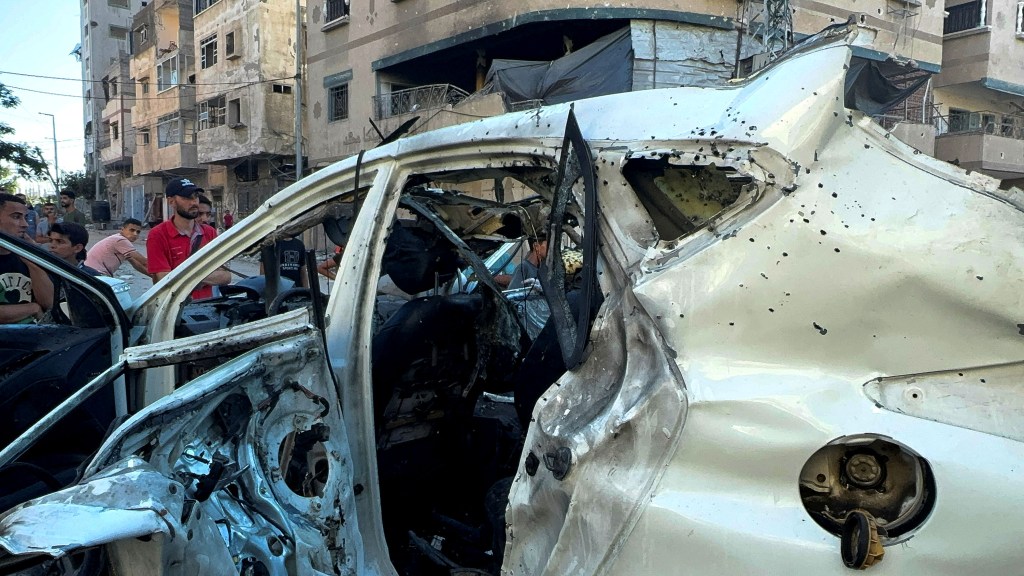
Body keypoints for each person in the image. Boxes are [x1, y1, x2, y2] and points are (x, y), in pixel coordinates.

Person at [146, 178, 230, 300]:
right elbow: (165, 279)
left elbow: (226, 276)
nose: (194, 202)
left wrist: (188, 277)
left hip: (207, 305)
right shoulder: (158, 235)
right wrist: (206, 276)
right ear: (171, 202)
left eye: (195, 196)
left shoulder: (209, 232)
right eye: (187, 198)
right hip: (174, 309)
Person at [0, 193, 54, 323]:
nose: (25, 224)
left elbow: (49, 303)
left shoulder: (25, 256)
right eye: (16, 217)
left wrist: (32, 259)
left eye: (25, 217)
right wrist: (32, 308)